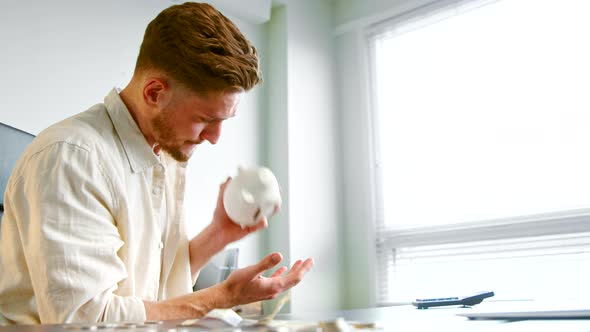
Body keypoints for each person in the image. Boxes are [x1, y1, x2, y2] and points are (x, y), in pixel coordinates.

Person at [0, 2, 313, 325]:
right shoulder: (72, 158)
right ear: (153, 93)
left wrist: (218, 234)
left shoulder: (165, 156)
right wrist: (222, 297)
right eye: (206, 119)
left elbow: (156, 293)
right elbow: (86, 320)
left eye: (224, 120)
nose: (215, 137)